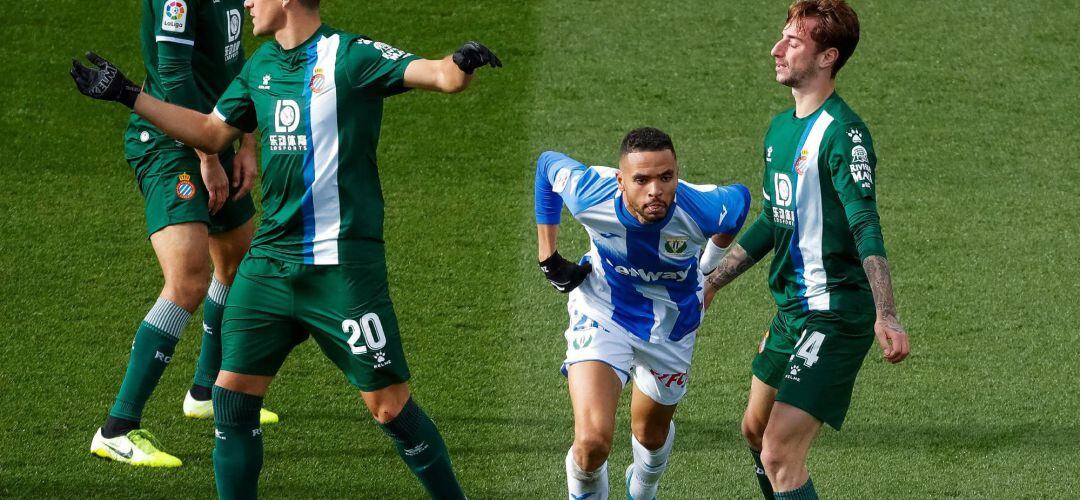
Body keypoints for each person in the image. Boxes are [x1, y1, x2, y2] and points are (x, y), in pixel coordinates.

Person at [70, 0, 501, 496]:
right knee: (231, 401)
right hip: (268, 267)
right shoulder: (261, 65)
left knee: (390, 408)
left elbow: (438, 75)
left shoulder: (349, 56)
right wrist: (128, 94)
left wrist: (462, 63)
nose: (248, 2)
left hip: (340, 272)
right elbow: (212, 132)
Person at [702, 1, 911, 498]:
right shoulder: (780, 129)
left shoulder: (843, 134)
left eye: (793, 43)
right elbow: (777, 218)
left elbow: (865, 223)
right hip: (791, 310)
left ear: (827, 57)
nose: (776, 50)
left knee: (779, 451)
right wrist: (712, 282)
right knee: (754, 431)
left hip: (835, 313)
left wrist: (888, 313)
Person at [89, 0, 277, 469]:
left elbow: (238, 68)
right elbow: (173, 77)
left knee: (235, 261)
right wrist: (208, 157)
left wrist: (246, 142)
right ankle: (117, 429)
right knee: (188, 282)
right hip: (171, 147)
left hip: (217, 139)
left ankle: (204, 391)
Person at [534, 127, 751, 499]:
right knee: (591, 443)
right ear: (620, 181)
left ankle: (644, 487)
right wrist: (547, 256)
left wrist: (707, 269)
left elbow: (740, 204)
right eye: (642, 179)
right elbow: (546, 166)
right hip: (603, 312)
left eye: (666, 177)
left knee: (650, 435)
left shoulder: (702, 207)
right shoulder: (589, 194)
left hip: (671, 327)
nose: (656, 190)